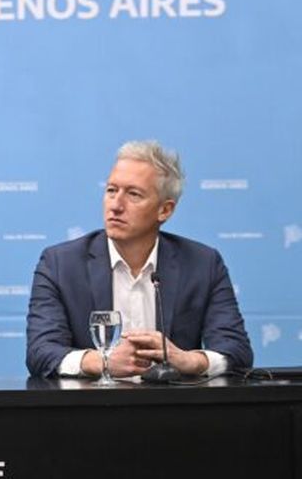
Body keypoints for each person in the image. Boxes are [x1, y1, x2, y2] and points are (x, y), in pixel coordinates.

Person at [26, 140, 252, 379]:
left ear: (165, 210)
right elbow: (40, 352)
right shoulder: (60, 264)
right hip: (92, 410)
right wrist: (103, 362)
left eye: (133, 194)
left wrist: (189, 360)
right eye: (111, 190)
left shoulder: (203, 264)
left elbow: (237, 352)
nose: (116, 205)